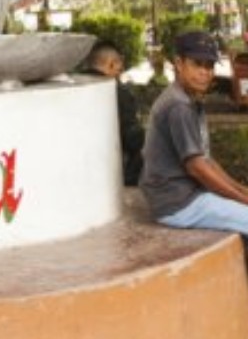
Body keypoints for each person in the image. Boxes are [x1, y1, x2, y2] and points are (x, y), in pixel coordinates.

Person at [139, 31, 248, 236]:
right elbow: (198, 169)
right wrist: (242, 200)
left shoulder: (188, 99)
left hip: (189, 196)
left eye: (209, 66)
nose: (205, 72)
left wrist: (241, 190)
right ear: (179, 64)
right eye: (197, 64)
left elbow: (206, 160)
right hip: (178, 204)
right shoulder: (178, 106)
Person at [78, 39, 142, 186]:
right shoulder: (118, 92)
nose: (121, 70)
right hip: (115, 173)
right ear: (112, 64)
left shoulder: (74, 89)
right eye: (119, 65)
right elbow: (133, 139)